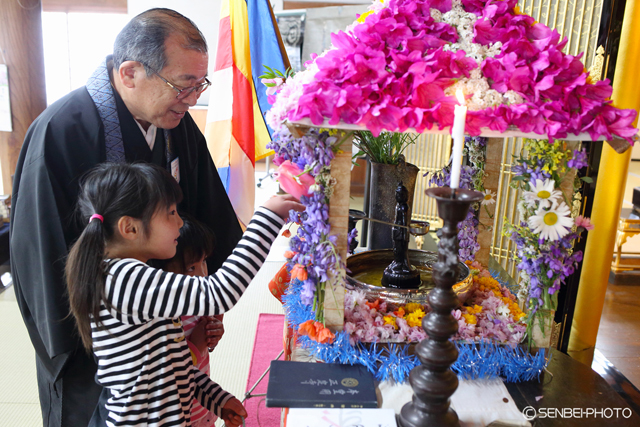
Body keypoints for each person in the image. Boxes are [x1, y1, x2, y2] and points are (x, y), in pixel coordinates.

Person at [10, 8, 243, 426]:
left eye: (198, 86)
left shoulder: (174, 123)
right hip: (104, 342)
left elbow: (205, 217)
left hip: (171, 324)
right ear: (131, 72)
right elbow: (43, 258)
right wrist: (93, 345)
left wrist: (202, 304)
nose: (192, 100)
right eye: (182, 86)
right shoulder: (60, 133)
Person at [65, 162, 303, 427]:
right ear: (129, 228)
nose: (179, 221)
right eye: (170, 213)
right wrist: (267, 217)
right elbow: (219, 292)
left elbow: (170, 363)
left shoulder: (129, 276)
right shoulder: (124, 279)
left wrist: (216, 398)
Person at [158, 215, 226, 427]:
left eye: (203, 262)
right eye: (190, 268)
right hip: (180, 414)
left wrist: (213, 335)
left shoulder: (199, 304)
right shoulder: (164, 316)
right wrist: (197, 343)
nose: (202, 275)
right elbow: (173, 371)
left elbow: (205, 349)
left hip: (204, 404)